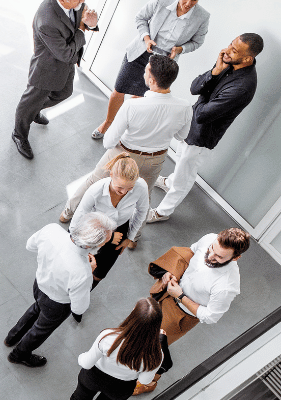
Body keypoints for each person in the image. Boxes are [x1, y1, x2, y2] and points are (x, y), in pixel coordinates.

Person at [60, 55, 189, 247]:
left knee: (93, 182)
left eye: (146, 70)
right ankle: (133, 237)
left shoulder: (132, 105)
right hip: (155, 160)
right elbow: (181, 136)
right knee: (145, 196)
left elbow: (108, 141)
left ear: (152, 80)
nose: (144, 72)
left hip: (123, 154)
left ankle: (68, 213)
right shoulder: (185, 106)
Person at [147, 34, 262, 223]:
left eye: (234, 50)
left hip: (203, 136)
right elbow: (195, 88)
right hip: (193, 127)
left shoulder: (242, 86)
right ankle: (170, 182)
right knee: (182, 159)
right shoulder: (228, 64)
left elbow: (202, 114)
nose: (227, 51)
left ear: (248, 58)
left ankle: (163, 212)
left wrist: (199, 98)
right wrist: (216, 70)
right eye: (230, 44)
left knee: (186, 173)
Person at [136, 228, 248, 394]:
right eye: (212, 249)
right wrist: (169, 273)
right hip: (166, 292)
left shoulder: (227, 286)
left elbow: (210, 317)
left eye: (219, 257)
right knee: (141, 328)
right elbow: (192, 251)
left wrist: (180, 296)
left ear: (236, 258)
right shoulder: (210, 238)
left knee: (155, 345)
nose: (211, 257)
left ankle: (150, 381)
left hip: (181, 315)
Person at [5, 212, 116, 368]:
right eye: (105, 242)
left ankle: (12, 337)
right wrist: (90, 272)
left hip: (39, 285)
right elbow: (79, 308)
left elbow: (30, 245)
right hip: (56, 304)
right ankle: (19, 355)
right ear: (90, 245)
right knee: (40, 329)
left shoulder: (52, 230)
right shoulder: (83, 272)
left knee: (36, 307)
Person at [91, 0, 209, 139]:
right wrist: (146, 38)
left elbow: (197, 42)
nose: (189, 3)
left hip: (162, 64)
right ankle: (108, 123)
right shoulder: (162, 1)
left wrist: (180, 49)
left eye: (194, 0)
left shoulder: (202, 16)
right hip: (140, 52)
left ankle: (120, 126)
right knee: (119, 90)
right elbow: (140, 17)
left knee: (141, 98)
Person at [12, 0, 99, 159]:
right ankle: (19, 134)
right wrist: (81, 30)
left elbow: (84, 21)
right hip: (47, 68)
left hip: (67, 63)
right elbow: (65, 53)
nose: (82, 1)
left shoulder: (76, 4)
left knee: (64, 93)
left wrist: (92, 24)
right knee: (29, 103)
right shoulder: (47, 20)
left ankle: (35, 110)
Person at [68, 155, 148, 289]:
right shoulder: (95, 190)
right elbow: (77, 220)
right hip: (94, 229)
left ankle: (85, 293)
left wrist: (130, 237)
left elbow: (141, 212)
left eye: (130, 188)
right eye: (120, 187)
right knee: (78, 266)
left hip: (120, 229)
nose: (124, 192)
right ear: (111, 174)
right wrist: (108, 237)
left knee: (99, 273)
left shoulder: (141, 187)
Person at [72, 298, 171, 400]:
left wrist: (81, 356)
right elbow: (144, 380)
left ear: (133, 314)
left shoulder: (108, 337)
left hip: (93, 378)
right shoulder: (156, 354)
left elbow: (86, 363)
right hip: (121, 388)